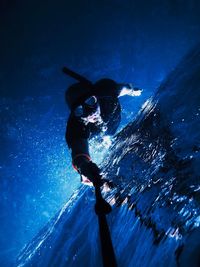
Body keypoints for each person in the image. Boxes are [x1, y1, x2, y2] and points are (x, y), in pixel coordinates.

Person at [65, 71, 142, 187]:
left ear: (96, 96)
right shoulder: (76, 126)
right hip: (100, 136)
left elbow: (122, 88)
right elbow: (79, 153)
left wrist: (131, 90)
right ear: (75, 114)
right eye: (80, 110)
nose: (90, 112)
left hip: (110, 124)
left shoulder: (106, 90)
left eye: (90, 101)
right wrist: (84, 167)